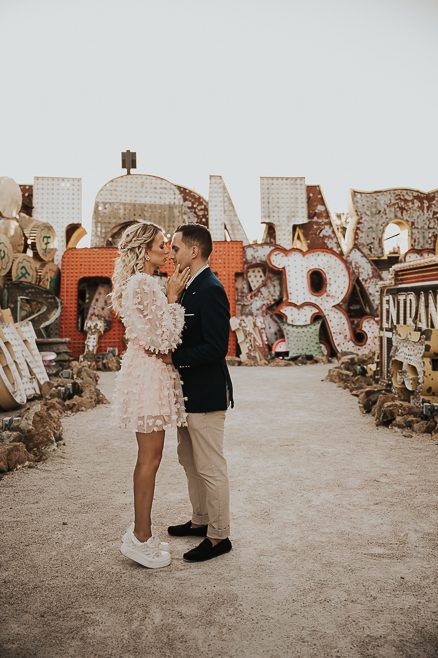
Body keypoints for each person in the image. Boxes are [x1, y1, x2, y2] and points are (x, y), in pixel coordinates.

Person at [111, 221, 190, 569]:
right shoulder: (144, 285)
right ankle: (141, 537)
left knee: (149, 457)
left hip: (145, 371)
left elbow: (156, 337)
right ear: (144, 250)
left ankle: (140, 532)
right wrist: (172, 298)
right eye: (161, 244)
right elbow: (165, 340)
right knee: (150, 459)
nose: (167, 250)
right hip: (149, 376)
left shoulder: (140, 283)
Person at [158, 223, 233, 562]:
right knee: (189, 461)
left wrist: (175, 358)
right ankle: (200, 520)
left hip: (206, 394)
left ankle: (219, 537)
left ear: (194, 251)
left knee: (210, 467)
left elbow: (217, 348)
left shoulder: (211, 288)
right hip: (187, 395)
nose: (171, 254)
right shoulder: (188, 287)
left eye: (175, 248)